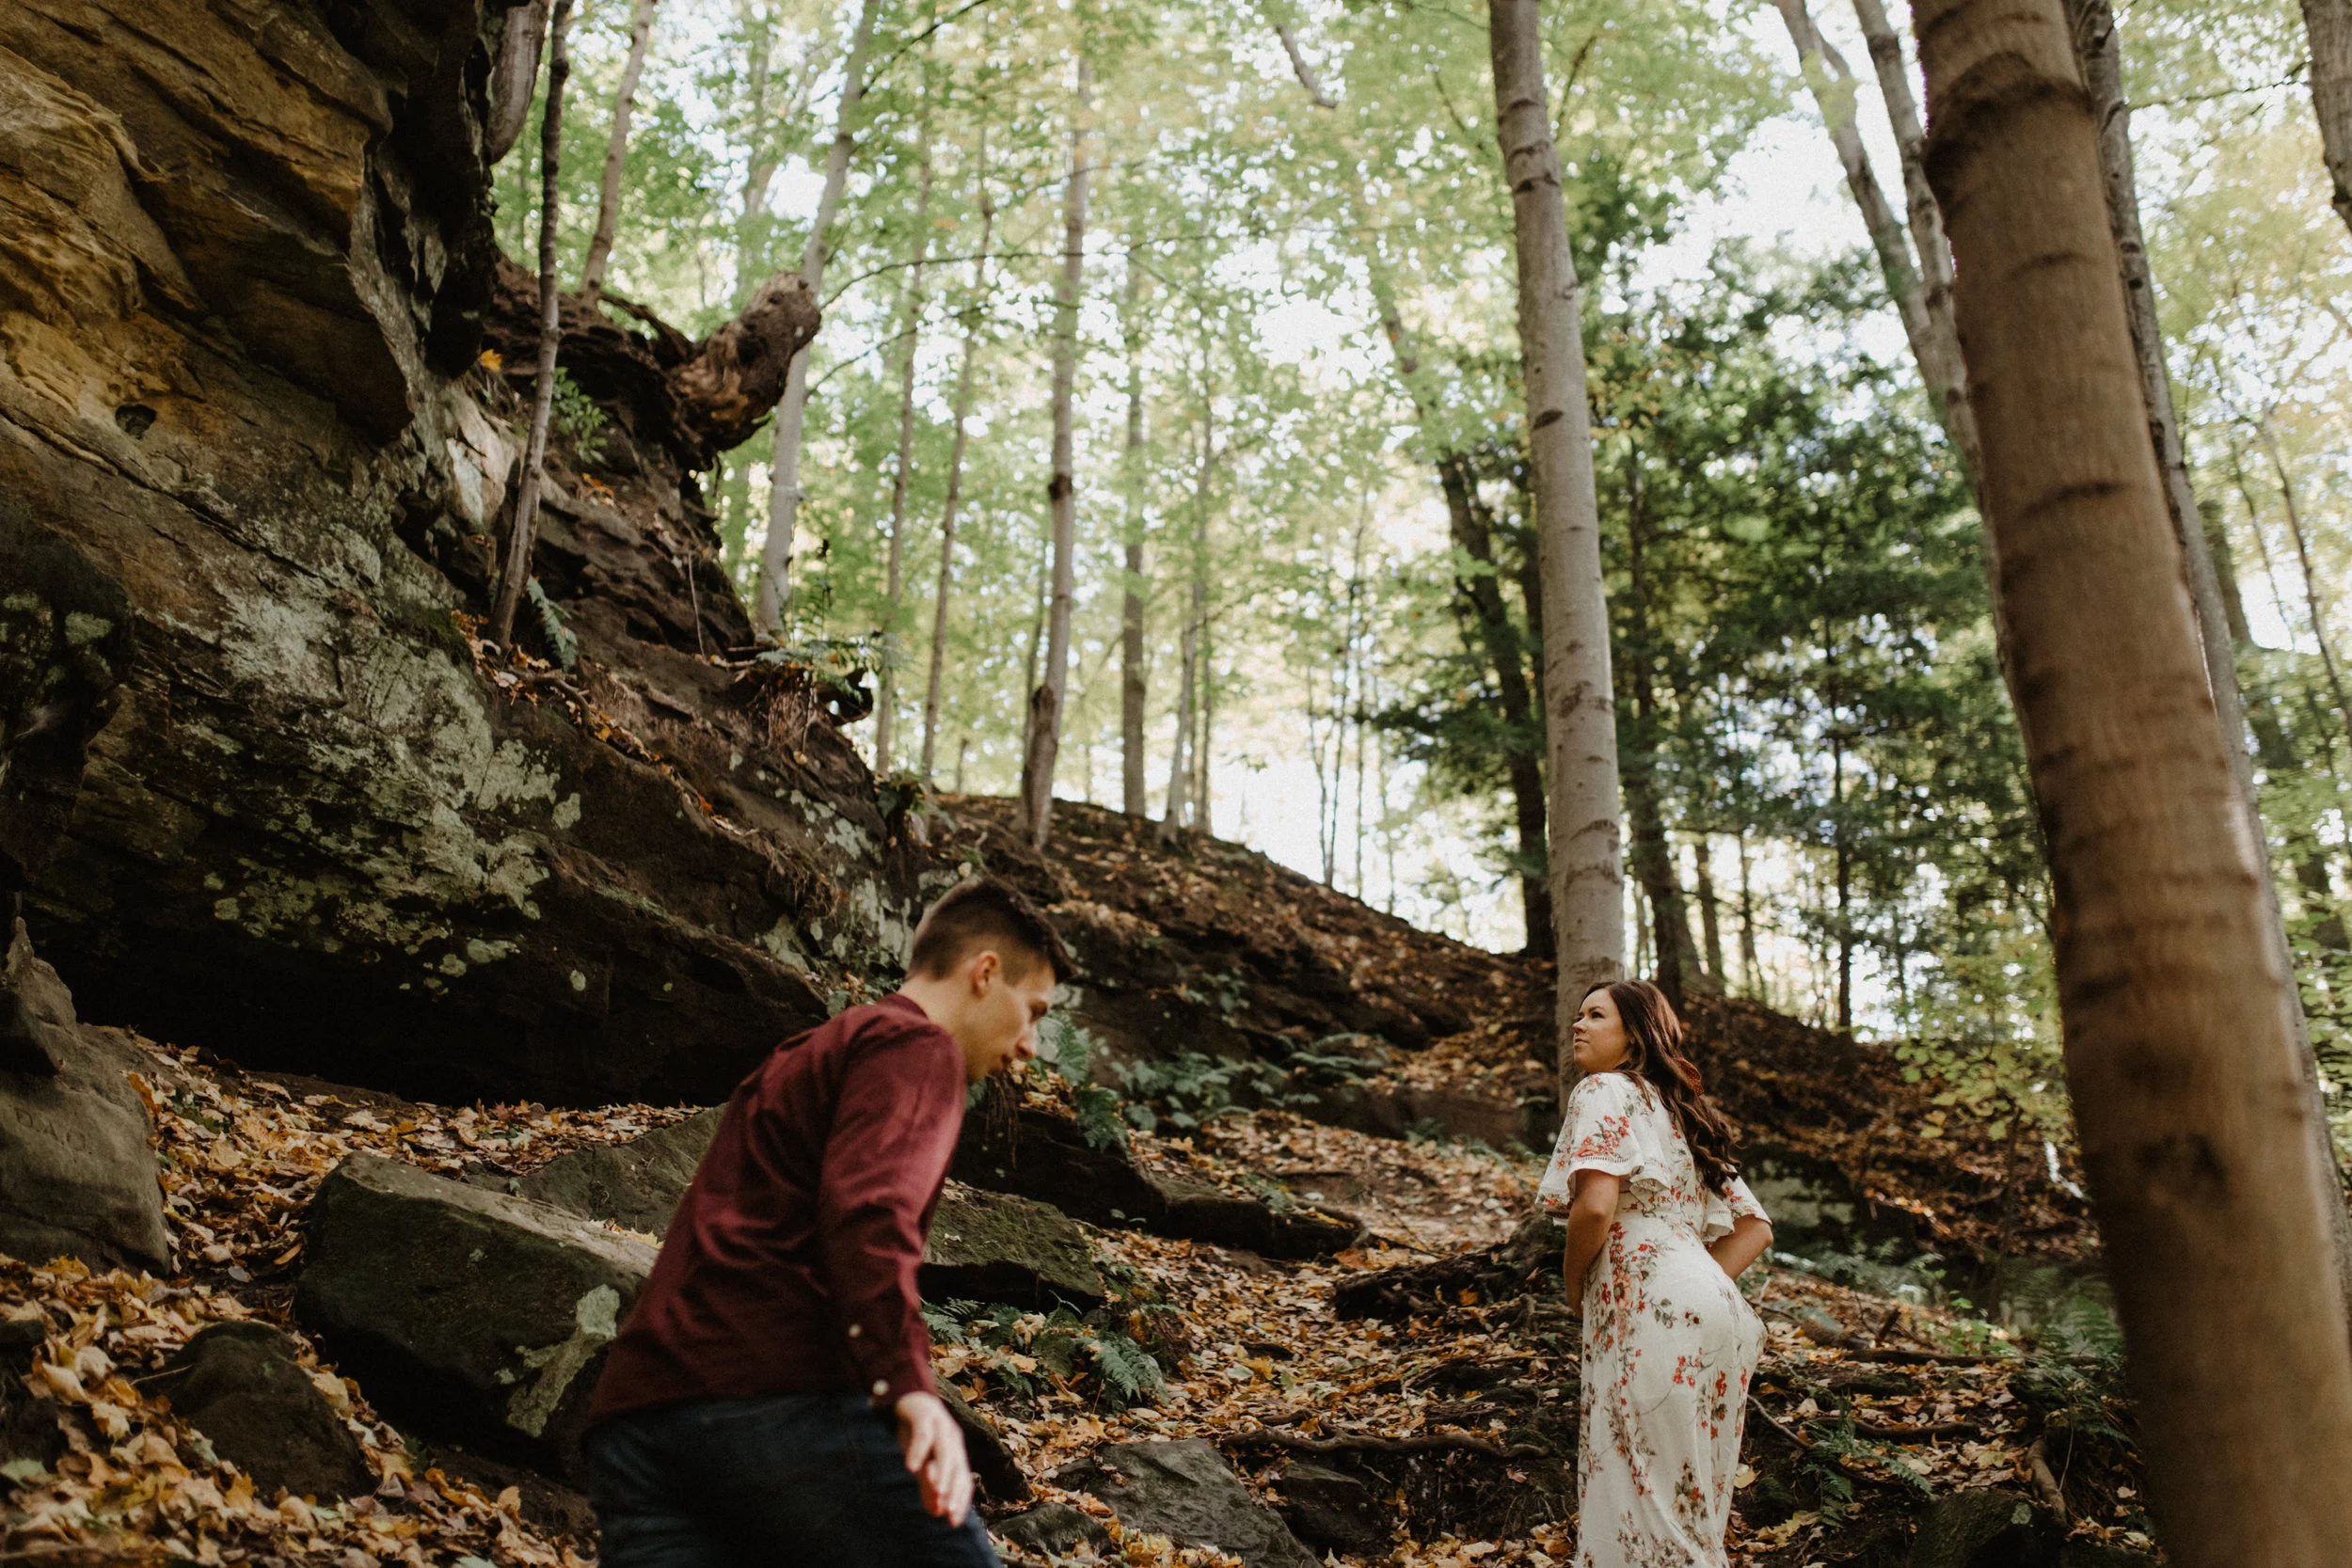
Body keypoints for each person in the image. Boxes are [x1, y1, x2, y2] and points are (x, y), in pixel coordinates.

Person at [581, 877, 1072, 1568]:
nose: (1028, 1044)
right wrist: (909, 1388)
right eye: (1034, 1010)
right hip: (778, 1408)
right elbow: (871, 1213)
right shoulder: (916, 1048)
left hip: (641, 1425)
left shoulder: (804, 1055)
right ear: (985, 972)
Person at [1538, 978, 1774, 1568]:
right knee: (1695, 1508)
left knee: (1644, 1501)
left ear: (1635, 1035)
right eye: (1578, 1014)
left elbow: (1594, 1206)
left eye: (1596, 1015)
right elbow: (1756, 1229)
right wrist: (1694, 1281)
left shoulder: (1601, 1090)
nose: (1578, 1025)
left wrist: (1575, 1288)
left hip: (1649, 1307)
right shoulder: (1683, 1113)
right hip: (1722, 1316)